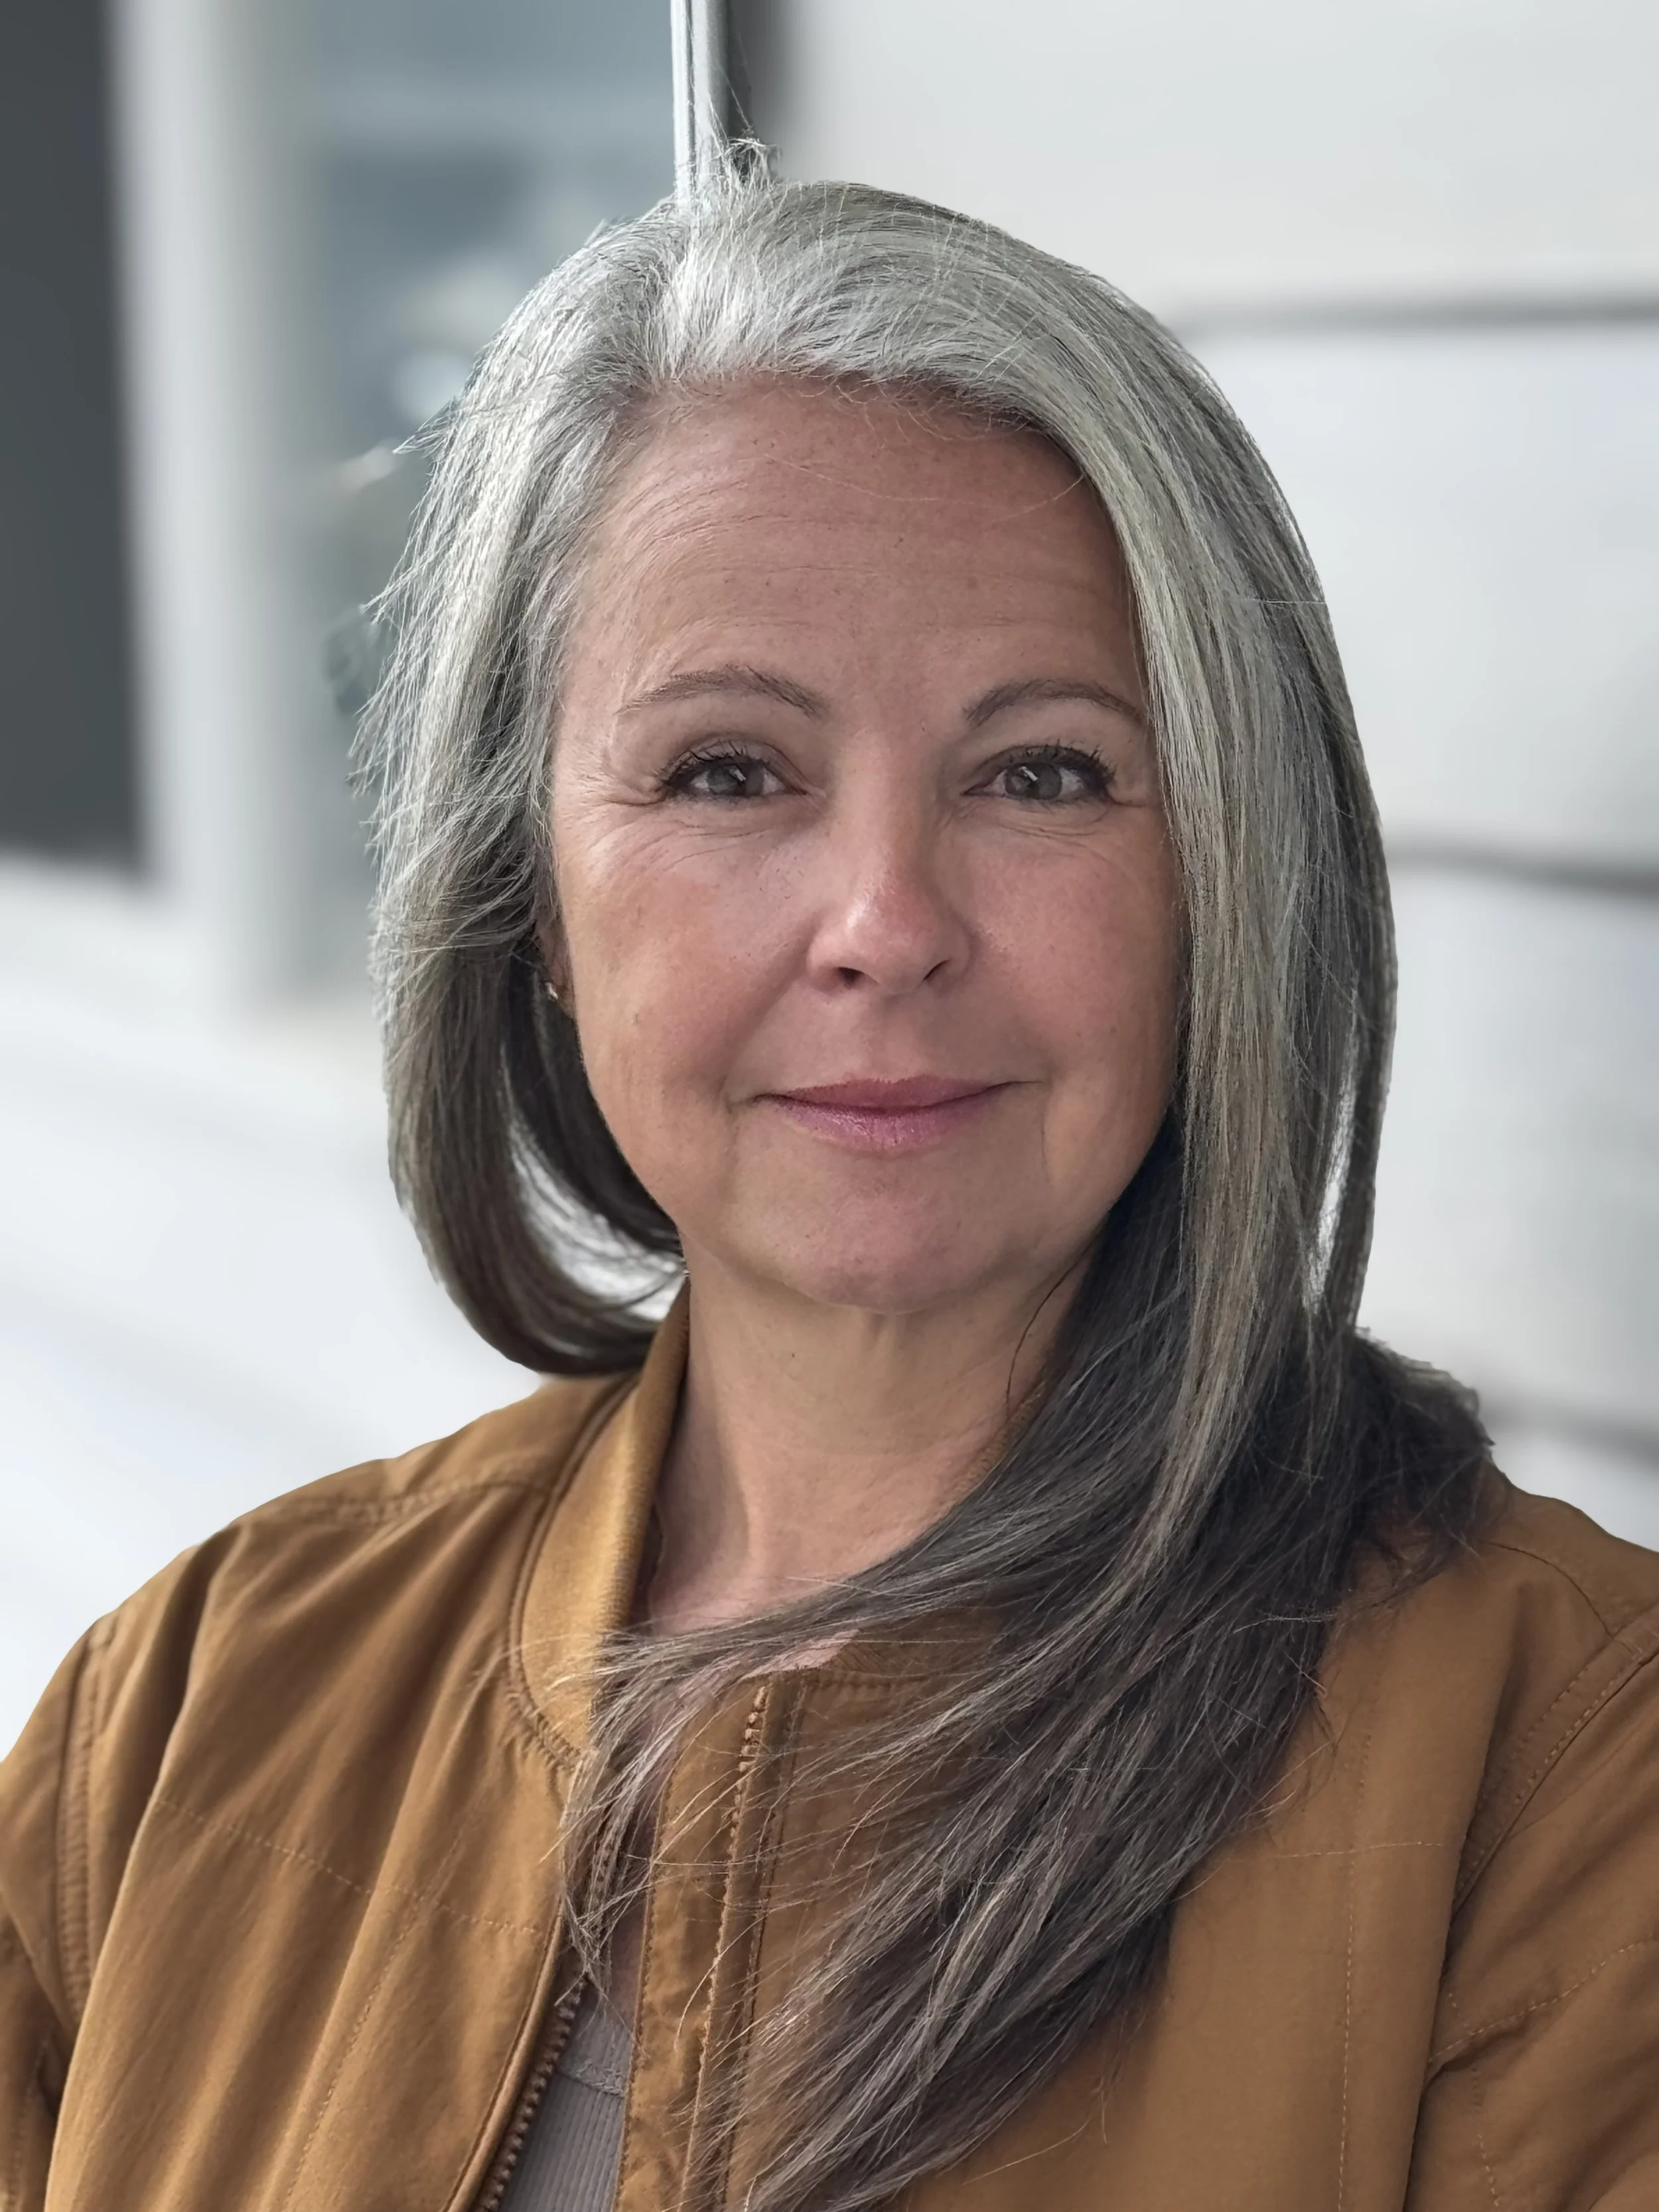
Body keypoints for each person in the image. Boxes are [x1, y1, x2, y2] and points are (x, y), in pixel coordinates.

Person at [3, 170, 1657, 2212]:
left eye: (1038, 771)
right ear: (525, 889)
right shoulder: (185, 1711)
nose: (884, 920)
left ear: (1224, 881)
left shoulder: (1572, 1775)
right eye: (726, 769)